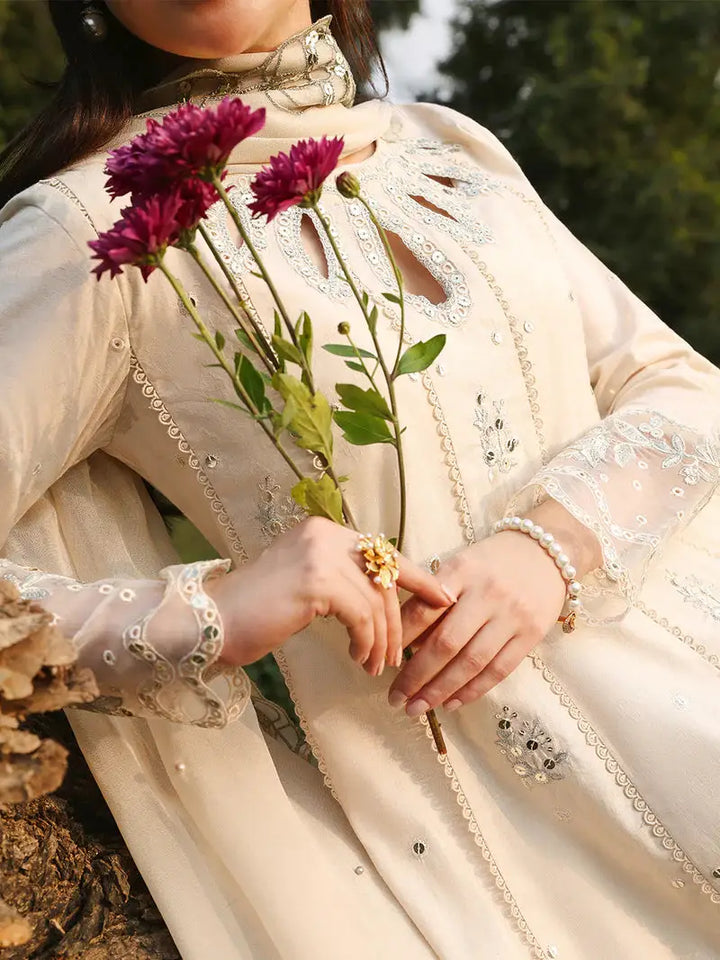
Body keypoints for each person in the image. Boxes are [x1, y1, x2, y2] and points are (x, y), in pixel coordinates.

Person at [1, 1, 718, 957]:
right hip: (512, 826)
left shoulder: (447, 145)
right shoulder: (86, 233)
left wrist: (548, 546)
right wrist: (216, 608)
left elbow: (679, 385)